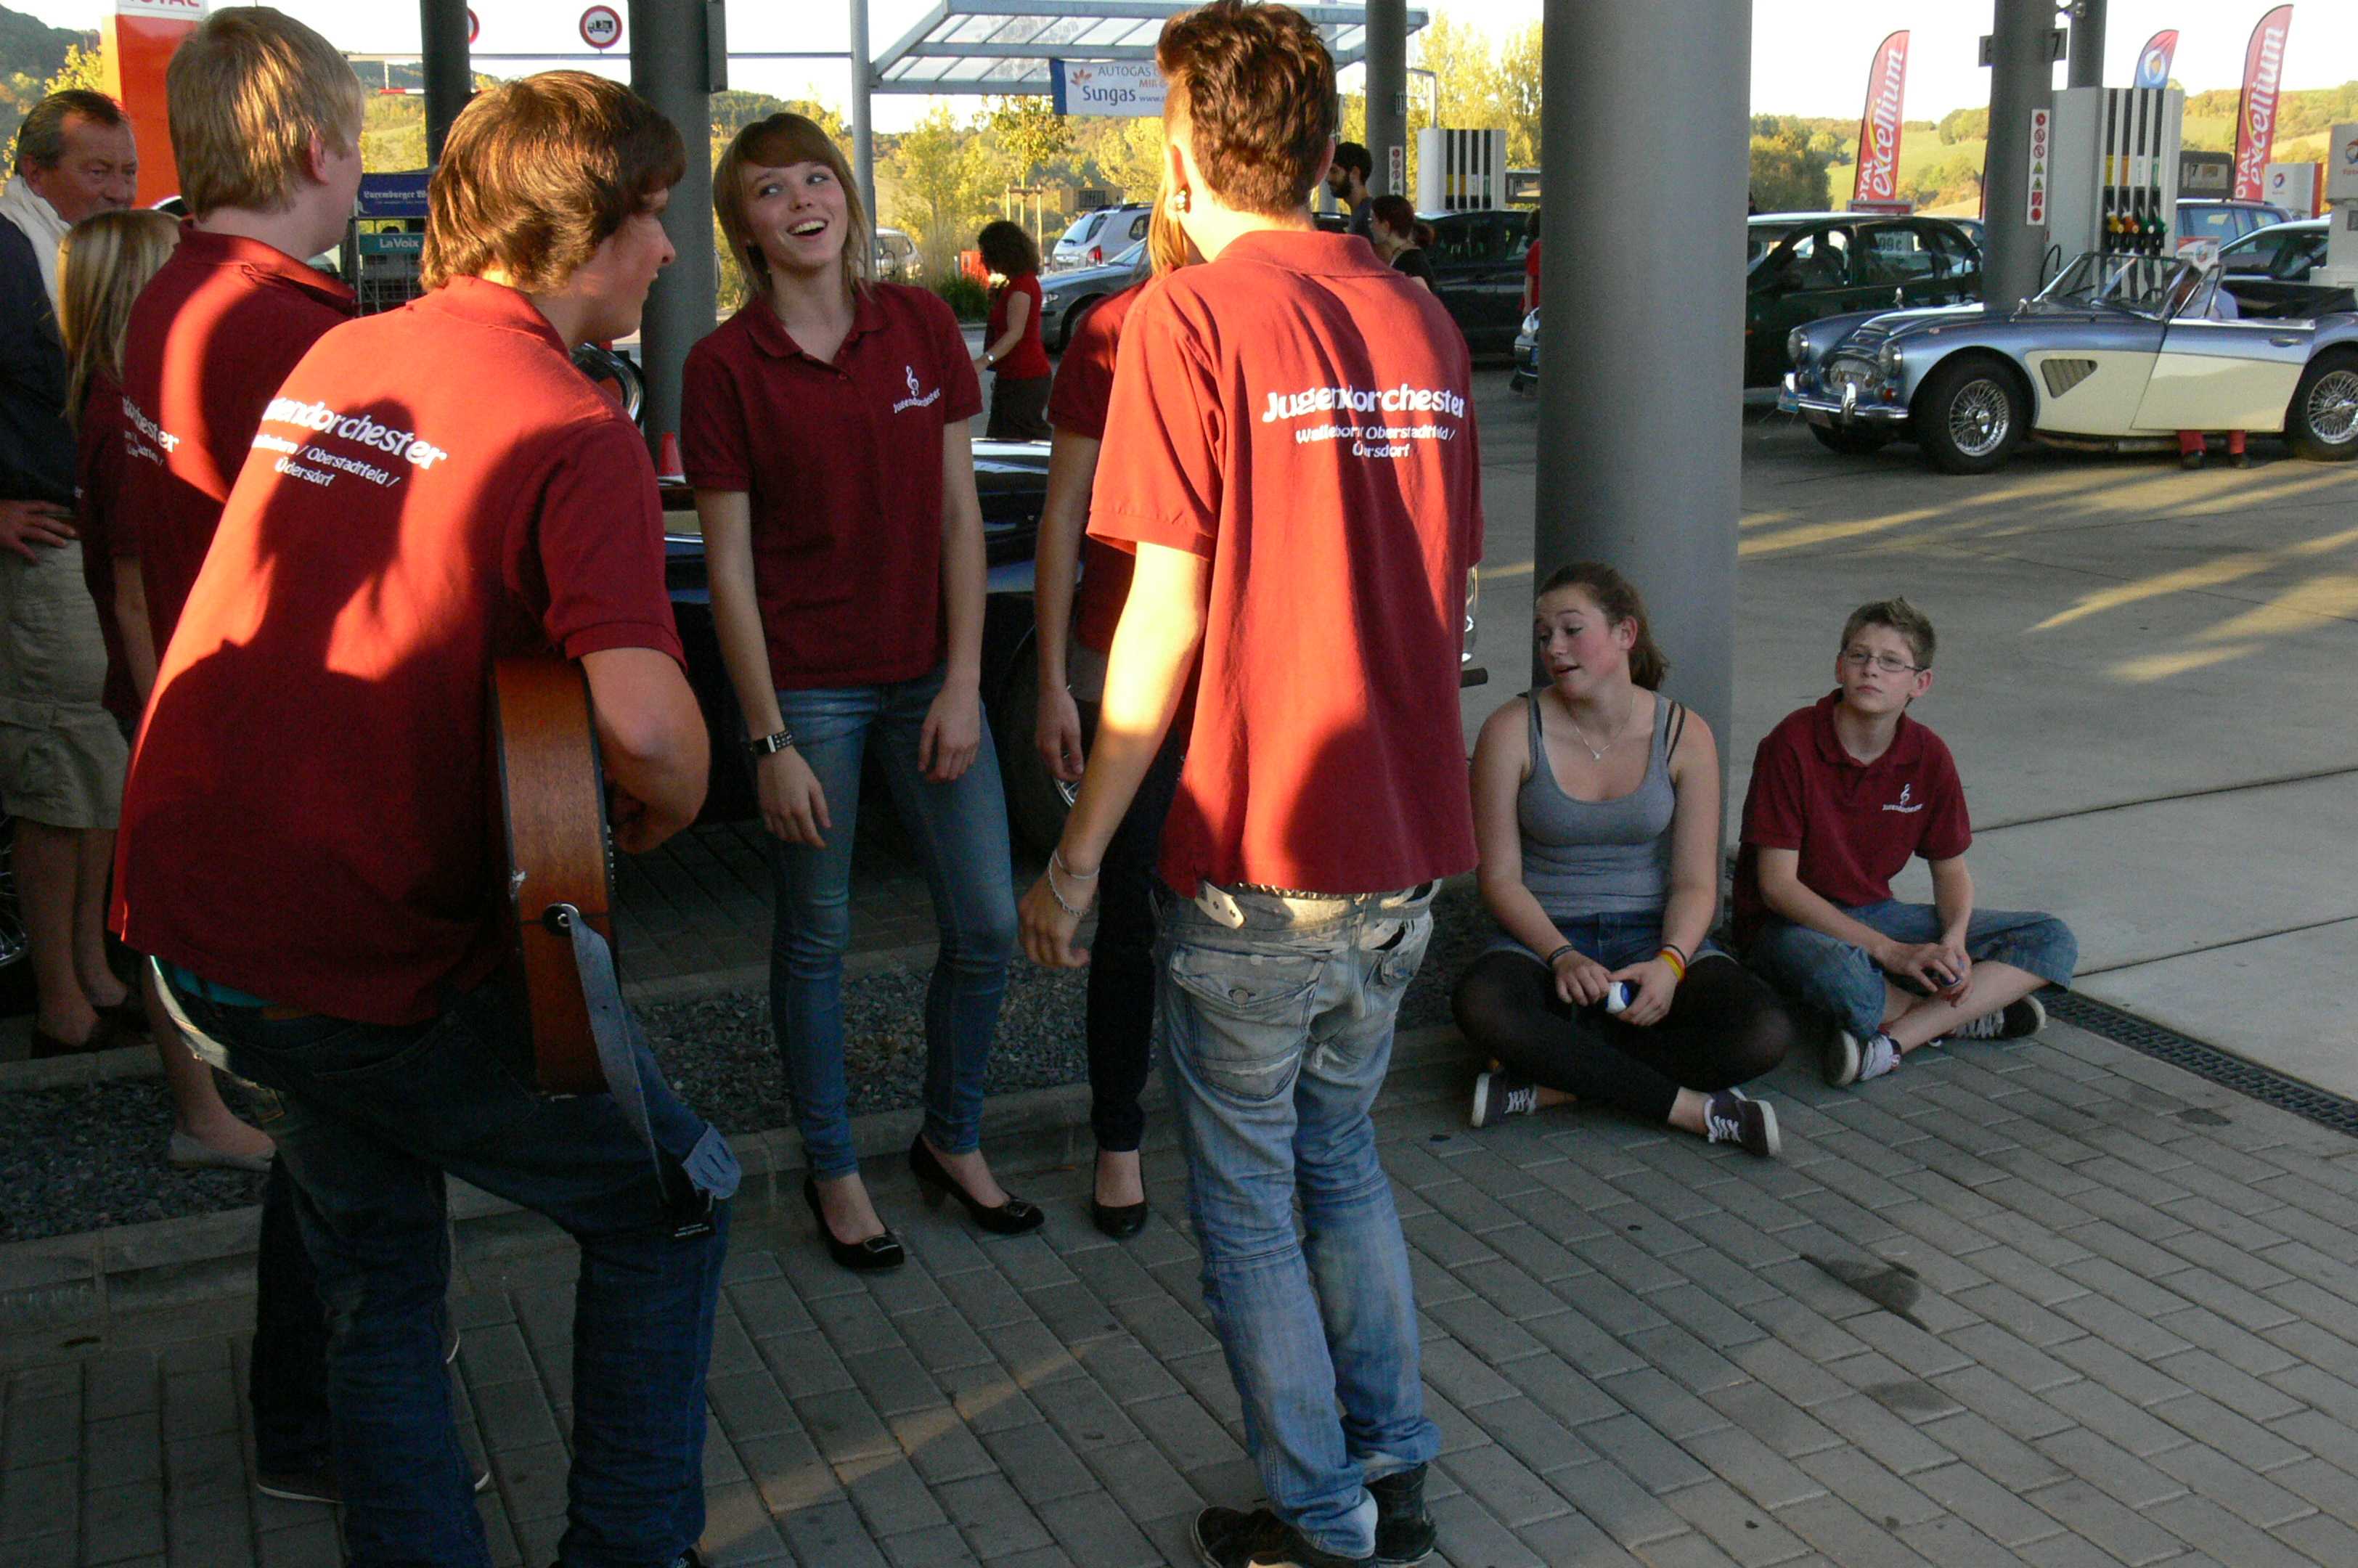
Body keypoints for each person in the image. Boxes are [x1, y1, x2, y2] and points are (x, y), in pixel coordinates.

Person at [116, 71, 731, 1568]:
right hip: (363, 951)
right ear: (581, 226)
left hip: (205, 924)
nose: (668, 252)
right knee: (673, 1204)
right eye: (655, 217)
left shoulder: (349, 351)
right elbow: (652, 731)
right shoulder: (568, 424)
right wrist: (675, 799)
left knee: (376, 1271)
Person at [1017, 5, 1482, 1564]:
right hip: (1400, 849)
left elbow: (1158, 617)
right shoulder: (1417, 317)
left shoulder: (1187, 317)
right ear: (1319, 141)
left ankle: (1320, 1518)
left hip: (1256, 861)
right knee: (1341, 1163)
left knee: (1244, 1206)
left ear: (1180, 146)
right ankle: (1391, 1466)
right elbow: (1444, 586)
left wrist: (1076, 859)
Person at [685, 111, 1031, 1275]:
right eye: (771, 190)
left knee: (987, 924)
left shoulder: (921, 324)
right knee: (818, 938)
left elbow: (959, 521)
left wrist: (966, 681)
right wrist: (768, 738)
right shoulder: (724, 367)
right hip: (811, 695)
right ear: (745, 228)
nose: (803, 203)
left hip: (932, 674)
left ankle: (952, 1137)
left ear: (846, 193)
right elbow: (729, 572)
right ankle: (833, 1168)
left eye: (816, 178)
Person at [113, 7, 368, 1506]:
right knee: (353, 1139)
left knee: (334, 1134)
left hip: (228, 775)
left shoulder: (168, 296)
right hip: (304, 797)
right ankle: (325, 1425)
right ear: (319, 147)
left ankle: (310, 1410)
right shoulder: (298, 333)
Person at [57, 205, 274, 1170]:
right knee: (174, 911)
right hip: (161, 697)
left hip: (156, 687)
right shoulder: (125, 418)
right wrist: (168, 721)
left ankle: (213, 1096)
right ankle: (200, 1114)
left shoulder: (111, 404)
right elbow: (133, 587)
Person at [1453, 564, 1793, 1154]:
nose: (1553, 649)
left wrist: (1672, 963)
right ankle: (1694, 1110)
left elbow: (1695, 882)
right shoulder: (1511, 729)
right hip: (1544, 939)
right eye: (1544, 635)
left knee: (1763, 1030)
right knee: (1483, 1004)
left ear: (1625, 633)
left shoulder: (1685, 733)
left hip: (1650, 935)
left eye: (1572, 629)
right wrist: (1561, 955)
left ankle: (1551, 1084)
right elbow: (1500, 879)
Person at [1029, 196, 1194, 1240]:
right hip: (1119, 653)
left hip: (1246, 663)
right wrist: (1050, 676)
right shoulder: (1111, 329)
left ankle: (1237, 1119)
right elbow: (1062, 511)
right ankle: (1118, 1138)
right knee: (1129, 908)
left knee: (1237, 907)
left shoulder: (1276, 320)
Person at [1734, 597, 2079, 1088]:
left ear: (1921, 683)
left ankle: (1892, 1041)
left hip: (1876, 913)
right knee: (1842, 971)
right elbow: (1777, 887)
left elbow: (1951, 870)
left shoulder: (1928, 755)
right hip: (1788, 927)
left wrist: (1954, 942)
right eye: (1859, 655)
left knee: (2050, 937)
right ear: (1839, 667)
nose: (1871, 669)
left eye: (1891, 661)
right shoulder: (1792, 743)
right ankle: (1959, 1015)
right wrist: (1890, 953)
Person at [1, 90, 143, 1063]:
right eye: (99, 171)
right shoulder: (11, 249)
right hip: (41, 544)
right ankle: (62, 999)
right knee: (58, 774)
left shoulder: (60, 246)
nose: (120, 190)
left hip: (76, 537)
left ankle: (91, 972)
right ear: (36, 167)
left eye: (127, 171)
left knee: (96, 763)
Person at [974, 219, 1053, 439]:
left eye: (987, 254)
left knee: (1021, 438)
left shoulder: (1022, 287)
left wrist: (984, 361)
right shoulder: (1017, 283)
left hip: (1025, 377)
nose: (985, 260)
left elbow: (1015, 333)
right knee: (1005, 436)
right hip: (1016, 376)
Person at [1366, 194, 1433, 292]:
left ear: (1386, 226)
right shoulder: (1406, 256)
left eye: (1372, 221)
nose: (1370, 226)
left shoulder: (1411, 262)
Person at [1325, 139, 1373, 237]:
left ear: (1355, 173)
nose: (1328, 179)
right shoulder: (1363, 214)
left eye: (1334, 171)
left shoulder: (1365, 220)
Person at [1520, 208, 1541, 315]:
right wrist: (1528, 305)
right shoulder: (1538, 247)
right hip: (1536, 303)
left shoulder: (1537, 246)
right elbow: (1530, 277)